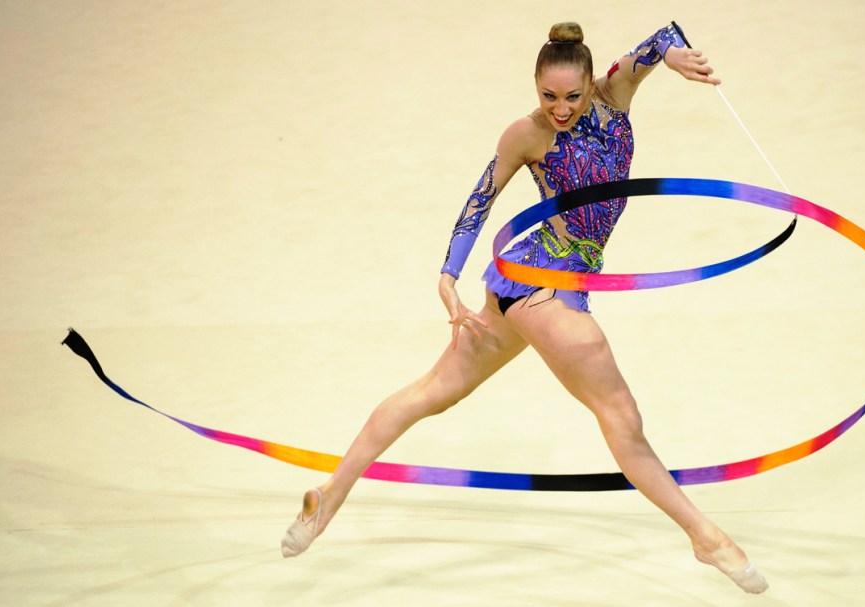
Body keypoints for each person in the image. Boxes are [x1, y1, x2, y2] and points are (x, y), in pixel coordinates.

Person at [281, 21, 768, 594]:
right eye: (547, 96)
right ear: (535, 89)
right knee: (622, 417)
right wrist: (447, 274)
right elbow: (481, 198)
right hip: (541, 281)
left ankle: (327, 499)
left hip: (536, 286)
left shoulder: (617, 96)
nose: (559, 109)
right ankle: (706, 538)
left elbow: (661, 37)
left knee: (434, 390)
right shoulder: (527, 134)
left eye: (571, 95)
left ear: (593, 82)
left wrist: (678, 55)